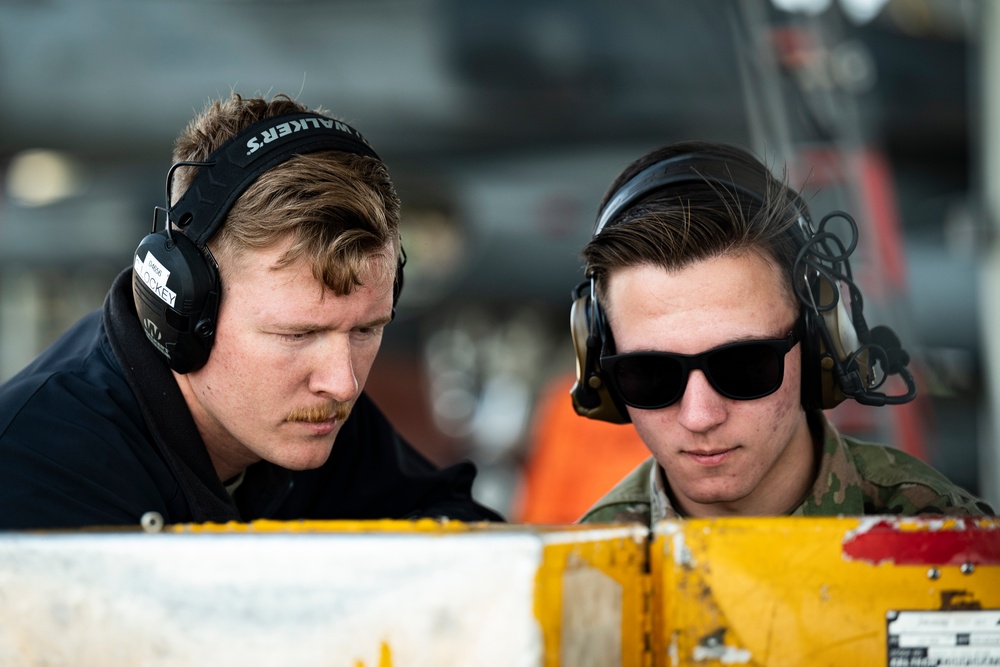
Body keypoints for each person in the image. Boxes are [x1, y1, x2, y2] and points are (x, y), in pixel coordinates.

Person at [0, 93, 503, 530]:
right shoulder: (36, 476)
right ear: (181, 310)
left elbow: (456, 531)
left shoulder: (309, 411)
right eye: (297, 335)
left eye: (367, 328)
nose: (343, 383)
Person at [570, 140, 995, 525]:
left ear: (817, 347)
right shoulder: (582, 573)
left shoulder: (946, 538)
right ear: (604, 376)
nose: (700, 416)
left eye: (744, 365)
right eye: (649, 374)